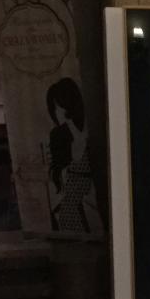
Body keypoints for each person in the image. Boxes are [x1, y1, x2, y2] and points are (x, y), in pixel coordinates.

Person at [45, 77, 98, 234]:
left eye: (59, 106)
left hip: (91, 192)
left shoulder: (93, 126)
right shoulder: (58, 134)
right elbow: (61, 167)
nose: (57, 112)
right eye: (54, 108)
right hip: (74, 190)